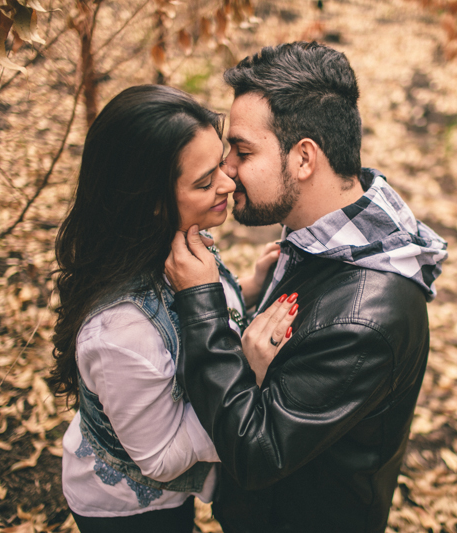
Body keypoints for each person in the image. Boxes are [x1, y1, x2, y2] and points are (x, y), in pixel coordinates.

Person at [165, 42, 449, 533]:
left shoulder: (364, 323)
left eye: (243, 151)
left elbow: (257, 453)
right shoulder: (328, 235)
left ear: (303, 159)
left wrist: (202, 307)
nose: (226, 171)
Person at [49, 85, 297, 533]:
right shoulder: (119, 334)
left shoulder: (174, 244)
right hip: (131, 510)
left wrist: (248, 286)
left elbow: (177, 319)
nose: (228, 181)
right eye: (204, 182)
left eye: (221, 163)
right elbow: (160, 458)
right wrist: (248, 372)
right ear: (153, 202)